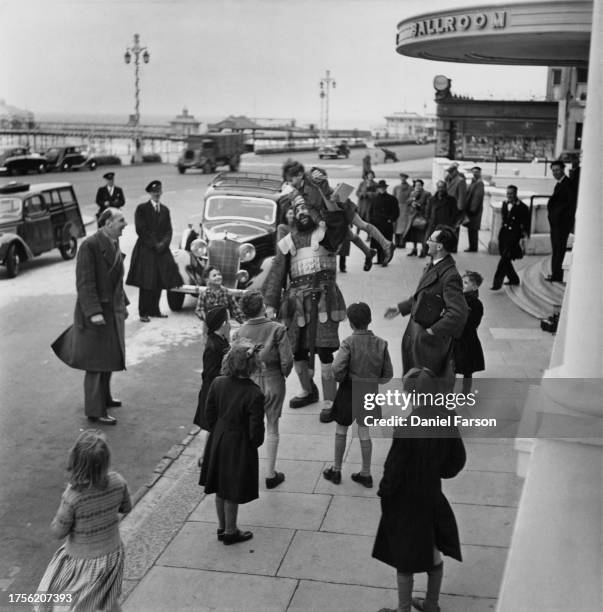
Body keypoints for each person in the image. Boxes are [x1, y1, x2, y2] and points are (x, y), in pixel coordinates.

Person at [373, 368, 466, 612]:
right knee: (433, 553)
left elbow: (393, 469)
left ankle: (404, 609)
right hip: (432, 495)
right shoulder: (446, 418)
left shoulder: (406, 427)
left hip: (406, 501)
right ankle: (432, 604)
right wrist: (437, 470)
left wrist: (385, 493)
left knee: (405, 557)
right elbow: (456, 461)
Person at [262, 197, 346, 420]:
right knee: (298, 351)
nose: (302, 212)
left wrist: (326, 195)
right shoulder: (287, 240)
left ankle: (330, 401)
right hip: (296, 302)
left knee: (325, 352)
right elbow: (278, 270)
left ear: (315, 212)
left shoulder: (326, 235)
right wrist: (270, 304)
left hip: (324, 301)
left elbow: (339, 223)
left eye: (306, 207)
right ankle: (308, 391)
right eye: (297, 209)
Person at [35, 430, 132, 612]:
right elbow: (126, 507)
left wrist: (56, 522)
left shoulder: (73, 496)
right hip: (112, 556)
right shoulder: (118, 482)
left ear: (76, 461)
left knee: (62, 598)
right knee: (106, 599)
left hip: (81, 561)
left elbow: (59, 532)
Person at [52, 208, 128, 426]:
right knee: (95, 363)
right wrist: (94, 312)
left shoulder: (113, 242)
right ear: (107, 223)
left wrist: (123, 304)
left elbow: (115, 282)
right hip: (95, 315)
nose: (125, 224)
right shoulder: (90, 245)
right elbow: (85, 283)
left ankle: (105, 397)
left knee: (110, 358)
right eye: (121, 220)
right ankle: (95, 410)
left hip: (111, 311)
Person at [384, 226, 468, 391]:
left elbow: (458, 313)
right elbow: (424, 296)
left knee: (427, 386)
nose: (426, 241)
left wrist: (431, 331)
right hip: (418, 335)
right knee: (416, 382)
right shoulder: (434, 265)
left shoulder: (450, 276)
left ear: (439, 247)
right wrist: (401, 308)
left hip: (429, 344)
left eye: (431, 239)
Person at [199, 339, 265, 545]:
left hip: (218, 439)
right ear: (252, 365)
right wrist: (254, 443)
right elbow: (256, 429)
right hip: (238, 444)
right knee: (232, 488)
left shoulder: (218, 383)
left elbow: (208, 414)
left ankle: (221, 526)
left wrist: (218, 429)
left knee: (220, 486)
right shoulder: (254, 392)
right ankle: (231, 530)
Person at [322, 303, 393, 487]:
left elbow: (337, 369)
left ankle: (336, 470)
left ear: (351, 323)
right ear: (369, 320)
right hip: (368, 390)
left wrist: (342, 378)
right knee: (364, 431)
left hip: (348, 390)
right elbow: (387, 375)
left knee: (341, 430)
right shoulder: (381, 343)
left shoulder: (348, 343)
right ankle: (366, 473)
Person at [282, 160, 393, 270]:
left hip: (340, 204)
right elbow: (311, 209)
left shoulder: (310, 177)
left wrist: (318, 175)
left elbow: (322, 180)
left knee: (362, 225)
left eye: (291, 180)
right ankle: (368, 253)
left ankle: (386, 244)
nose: (291, 184)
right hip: (329, 214)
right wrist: (319, 220)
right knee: (350, 236)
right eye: (288, 181)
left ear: (300, 174)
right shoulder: (301, 192)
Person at [235, 290, 293, 489]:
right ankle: (270, 473)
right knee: (273, 426)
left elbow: (236, 361)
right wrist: (283, 374)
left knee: (248, 427)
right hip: (273, 378)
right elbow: (287, 360)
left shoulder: (239, 332)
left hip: (250, 382)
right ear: (261, 307)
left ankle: (243, 471)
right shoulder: (277, 329)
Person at [125, 180, 181, 322]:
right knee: (146, 282)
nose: (157, 194)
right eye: (154, 192)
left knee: (159, 280)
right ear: (150, 193)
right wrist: (155, 244)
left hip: (161, 250)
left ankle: (154, 310)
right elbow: (141, 229)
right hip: (146, 250)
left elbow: (169, 230)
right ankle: (143, 312)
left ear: (161, 192)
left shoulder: (165, 210)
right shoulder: (142, 209)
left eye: (159, 191)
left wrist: (163, 244)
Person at [193, 306, 231, 434]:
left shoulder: (220, 340)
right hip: (213, 395)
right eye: (228, 321)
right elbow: (210, 374)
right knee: (214, 430)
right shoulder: (214, 346)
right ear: (223, 324)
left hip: (215, 393)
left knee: (214, 431)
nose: (230, 324)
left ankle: (210, 454)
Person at [491, 185, 530, 290]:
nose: (509, 196)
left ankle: (496, 283)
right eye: (508, 193)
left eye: (511, 193)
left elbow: (526, 224)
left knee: (504, 259)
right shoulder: (504, 204)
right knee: (506, 259)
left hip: (514, 237)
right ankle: (514, 279)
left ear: (516, 194)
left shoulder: (523, 207)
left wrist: (522, 238)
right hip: (503, 235)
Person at [454, 271, 485, 394]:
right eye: (462, 281)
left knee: (467, 368)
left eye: (466, 283)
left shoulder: (476, 304)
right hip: (454, 338)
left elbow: (473, 323)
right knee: (451, 366)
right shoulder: (456, 297)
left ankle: (466, 391)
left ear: (475, 287)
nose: (462, 284)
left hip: (466, 340)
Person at [547, 160, 576, 282]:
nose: (555, 173)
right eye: (553, 170)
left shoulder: (567, 184)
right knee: (556, 249)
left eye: (557, 170)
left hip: (561, 225)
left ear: (563, 169)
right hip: (556, 224)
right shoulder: (560, 184)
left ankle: (557, 275)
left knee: (559, 249)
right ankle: (555, 273)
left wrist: (560, 219)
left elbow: (570, 205)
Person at [370, 180, 399, 266]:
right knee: (377, 242)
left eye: (383, 187)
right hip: (376, 224)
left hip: (387, 224)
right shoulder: (374, 199)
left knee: (386, 243)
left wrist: (391, 219)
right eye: (380, 188)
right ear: (378, 189)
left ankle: (385, 260)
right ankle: (379, 259)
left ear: (386, 188)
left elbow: (396, 211)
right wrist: (371, 221)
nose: (382, 189)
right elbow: (371, 211)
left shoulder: (392, 199)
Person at [400, 182, 430, 258]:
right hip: (412, 217)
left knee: (422, 235)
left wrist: (419, 206)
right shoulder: (413, 193)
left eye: (419, 185)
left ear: (422, 186)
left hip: (421, 217)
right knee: (414, 234)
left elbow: (428, 205)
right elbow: (407, 202)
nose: (418, 187)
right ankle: (415, 249)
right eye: (416, 185)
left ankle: (423, 250)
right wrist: (413, 200)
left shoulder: (427, 194)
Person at [464, 166, 485, 252]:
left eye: (477, 172)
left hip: (474, 210)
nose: (475, 173)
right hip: (471, 209)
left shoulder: (479, 183)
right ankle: (472, 246)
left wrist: (473, 209)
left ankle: (473, 247)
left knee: (473, 229)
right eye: (474, 172)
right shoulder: (474, 181)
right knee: (471, 229)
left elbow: (477, 197)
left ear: (480, 173)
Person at [393, 172, 412, 248]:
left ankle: (402, 243)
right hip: (397, 207)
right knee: (396, 225)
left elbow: (411, 198)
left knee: (403, 226)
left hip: (405, 208)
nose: (403, 179)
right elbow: (394, 198)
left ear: (406, 178)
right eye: (401, 177)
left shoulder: (410, 188)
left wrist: (408, 203)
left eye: (404, 177)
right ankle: (396, 242)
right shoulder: (396, 187)